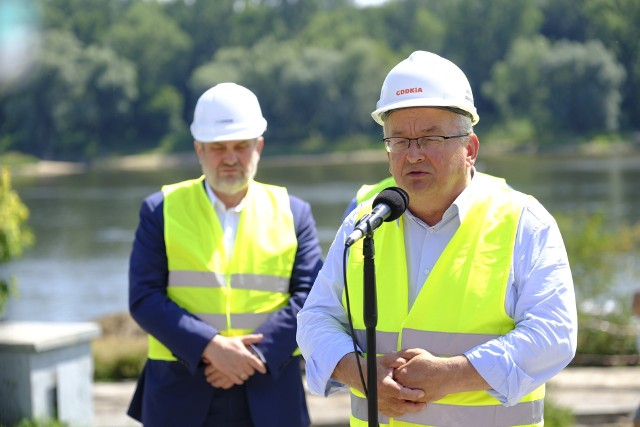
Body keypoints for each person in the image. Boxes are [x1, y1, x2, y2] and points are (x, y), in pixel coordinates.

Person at [297, 51, 578, 427]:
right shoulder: (364, 222)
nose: (413, 154)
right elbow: (315, 318)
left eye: (430, 138)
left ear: (470, 149)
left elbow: (554, 334)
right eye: (399, 140)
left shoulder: (524, 222)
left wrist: (455, 374)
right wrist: (357, 370)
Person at [127, 82, 323, 427]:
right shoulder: (160, 210)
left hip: (271, 392)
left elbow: (310, 298)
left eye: (241, 146)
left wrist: (252, 355)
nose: (230, 157)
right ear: (198, 149)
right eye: (218, 147)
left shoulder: (294, 212)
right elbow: (144, 298)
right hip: (179, 393)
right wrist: (210, 347)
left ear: (259, 146)